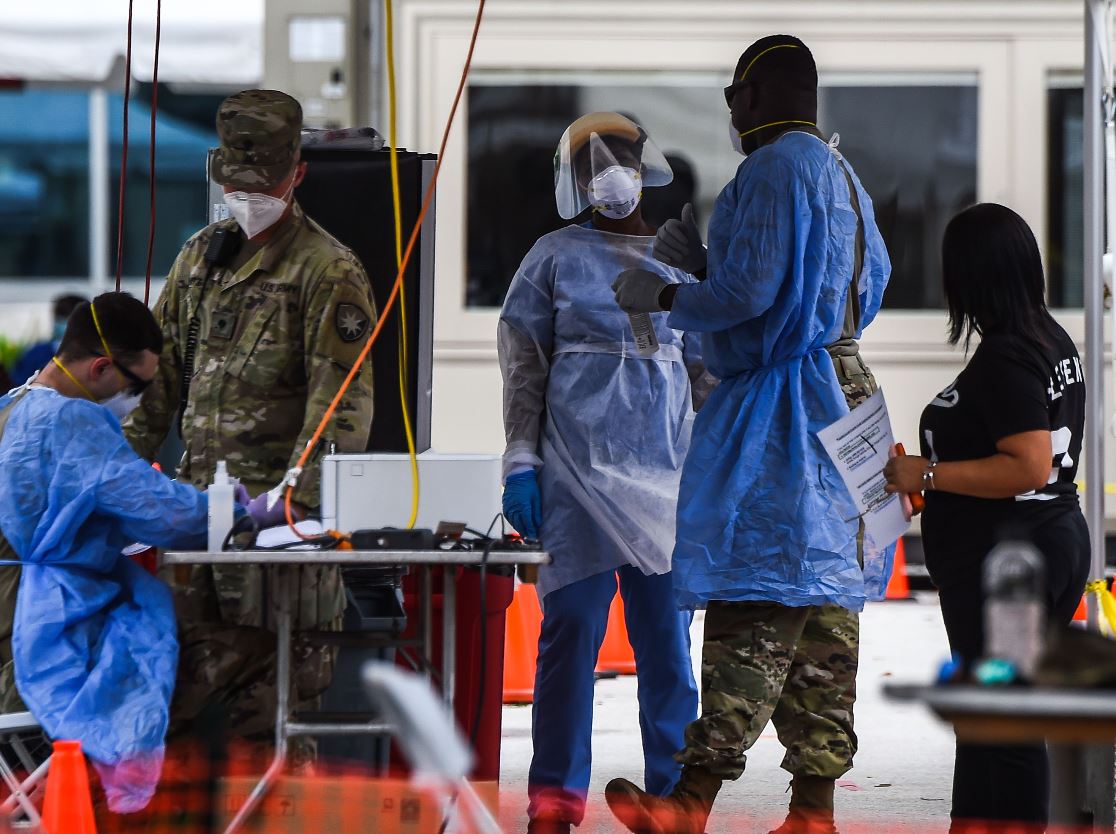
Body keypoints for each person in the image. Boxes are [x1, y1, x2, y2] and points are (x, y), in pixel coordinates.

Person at [607, 35, 891, 834]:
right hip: (848, 392)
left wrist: (669, 294)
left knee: (756, 589)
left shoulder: (769, 171)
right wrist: (710, 267)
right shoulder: (843, 174)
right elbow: (871, 284)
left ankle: (690, 801)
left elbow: (749, 291)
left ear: (758, 96)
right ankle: (814, 808)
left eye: (735, 94)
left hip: (786, 408)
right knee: (828, 603)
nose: (730, 111)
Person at [122, 89, 376, 756]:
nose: (247, 195)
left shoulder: (327, 270)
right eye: (236, 182)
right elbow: (159, 382)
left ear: (298, 173)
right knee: (175, 711)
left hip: (274, 539)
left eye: (261, 182)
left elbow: (340, 405)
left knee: (272, 719)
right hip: (196, 529)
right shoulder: (199, 259)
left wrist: (293, 505)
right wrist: (113, 477)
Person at [499, 112, 710, 834]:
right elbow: (524, 368)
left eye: (617, 160)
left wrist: (718, 472)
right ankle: (553, 805)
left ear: (643, 163)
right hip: (576, 479)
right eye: (592, 166)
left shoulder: (681, 258)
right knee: (570, 639)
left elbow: (709, 374)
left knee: (666, 648)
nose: (608, 177)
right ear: (574, 181)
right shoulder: (552, 258)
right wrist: (522, 461)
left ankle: (674, 797)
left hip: (666, 482)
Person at [884, 203, 1089, 832]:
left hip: (1012, 566)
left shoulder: (1006, 358)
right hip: (1043, 543)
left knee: (1006, 725)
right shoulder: (1048, 338)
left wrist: (931, 475)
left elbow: (1025, 464)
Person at [0, 293, 212, 811]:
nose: (135, 399)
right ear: (100, 366)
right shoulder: (72, 421)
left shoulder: (12, 404)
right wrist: (237, 511)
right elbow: (158, 509)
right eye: (136, 386)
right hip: (37, 619)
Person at [10, 293, 86, 385]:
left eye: (67, 318)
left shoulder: (94, 355)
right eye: (60, 318)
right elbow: (17, 387)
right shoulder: (37, 353)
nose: (64, 324)